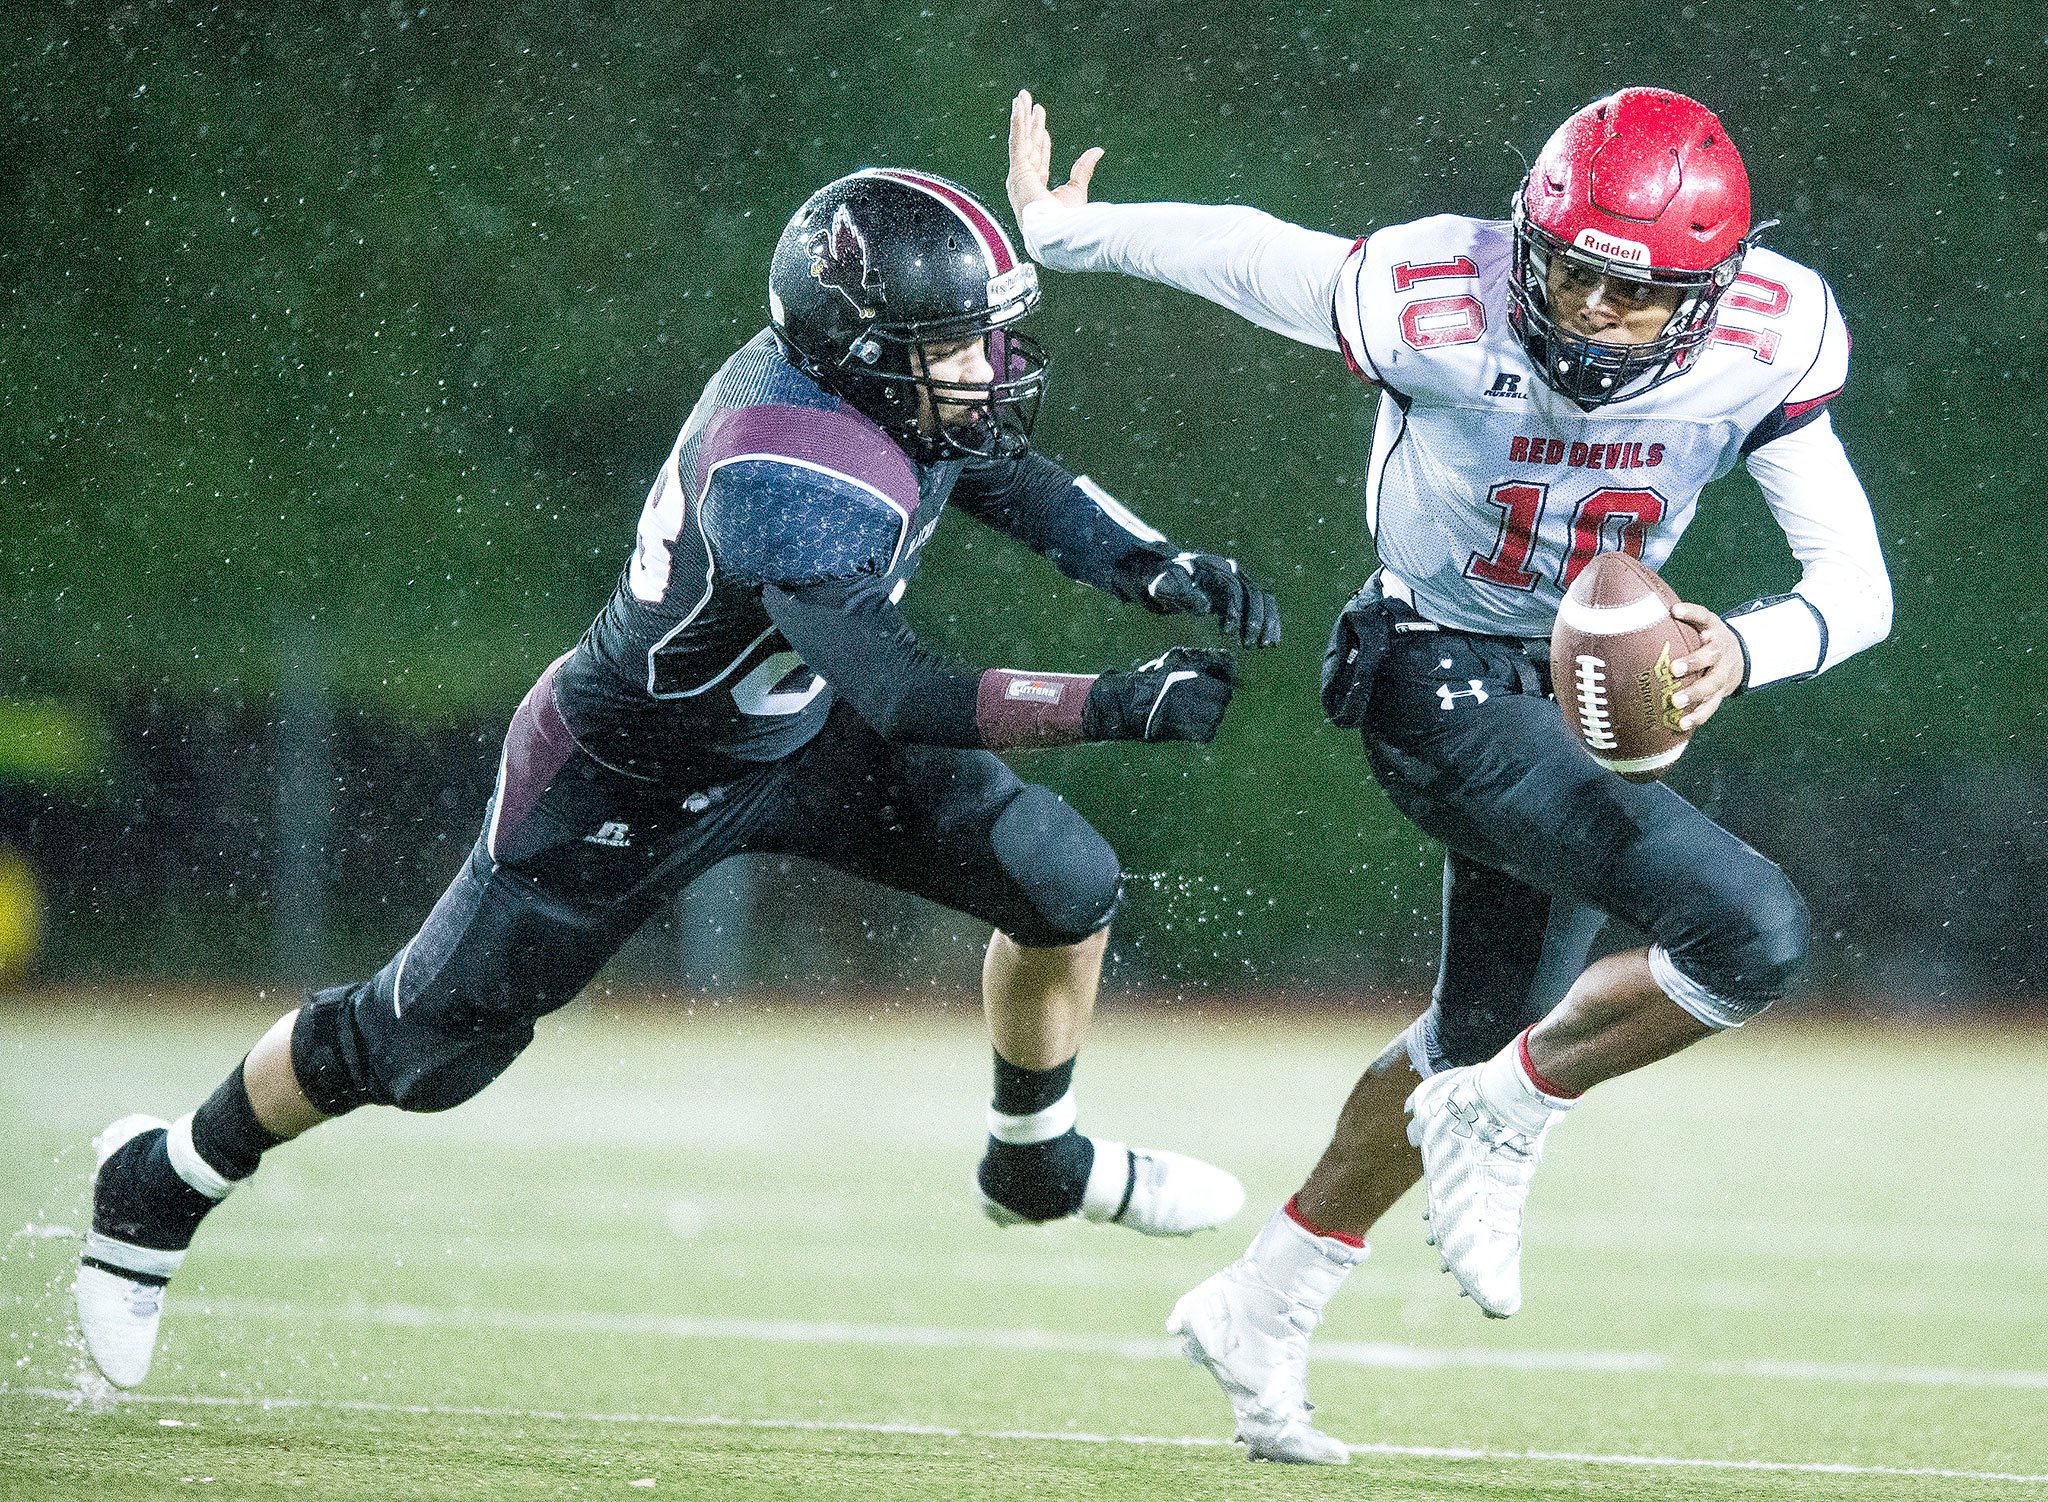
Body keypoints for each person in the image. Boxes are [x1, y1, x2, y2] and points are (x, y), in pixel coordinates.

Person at [75, 167, 1285, 1390]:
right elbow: (906, 691)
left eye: (983, 332)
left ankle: (1033, 1157)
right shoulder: (783, 464)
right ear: (860, 352)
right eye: (955, 342)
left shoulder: (884, 394)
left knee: (1060, 880)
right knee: (416, 1052)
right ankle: (166, 1175)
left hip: (798, 730)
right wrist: (1112, 702)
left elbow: (999, 474)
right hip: (627, 774)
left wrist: (1149, 563)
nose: (986, 361)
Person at [1007, 88, 1891, 1463]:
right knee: (1751, 930)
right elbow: (1256, 256)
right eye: (1571, 269)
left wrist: (1748, 646)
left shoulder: (1772, 340)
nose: (1591, 309)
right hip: (1432, 674)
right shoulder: (1437, 294)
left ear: (1713, 297)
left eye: (1632, 290)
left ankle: (1265, 1300)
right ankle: (1513, 1107)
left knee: (1469, 1038)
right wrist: (1074, 235)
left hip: (1572, 693)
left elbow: (1857, 584)